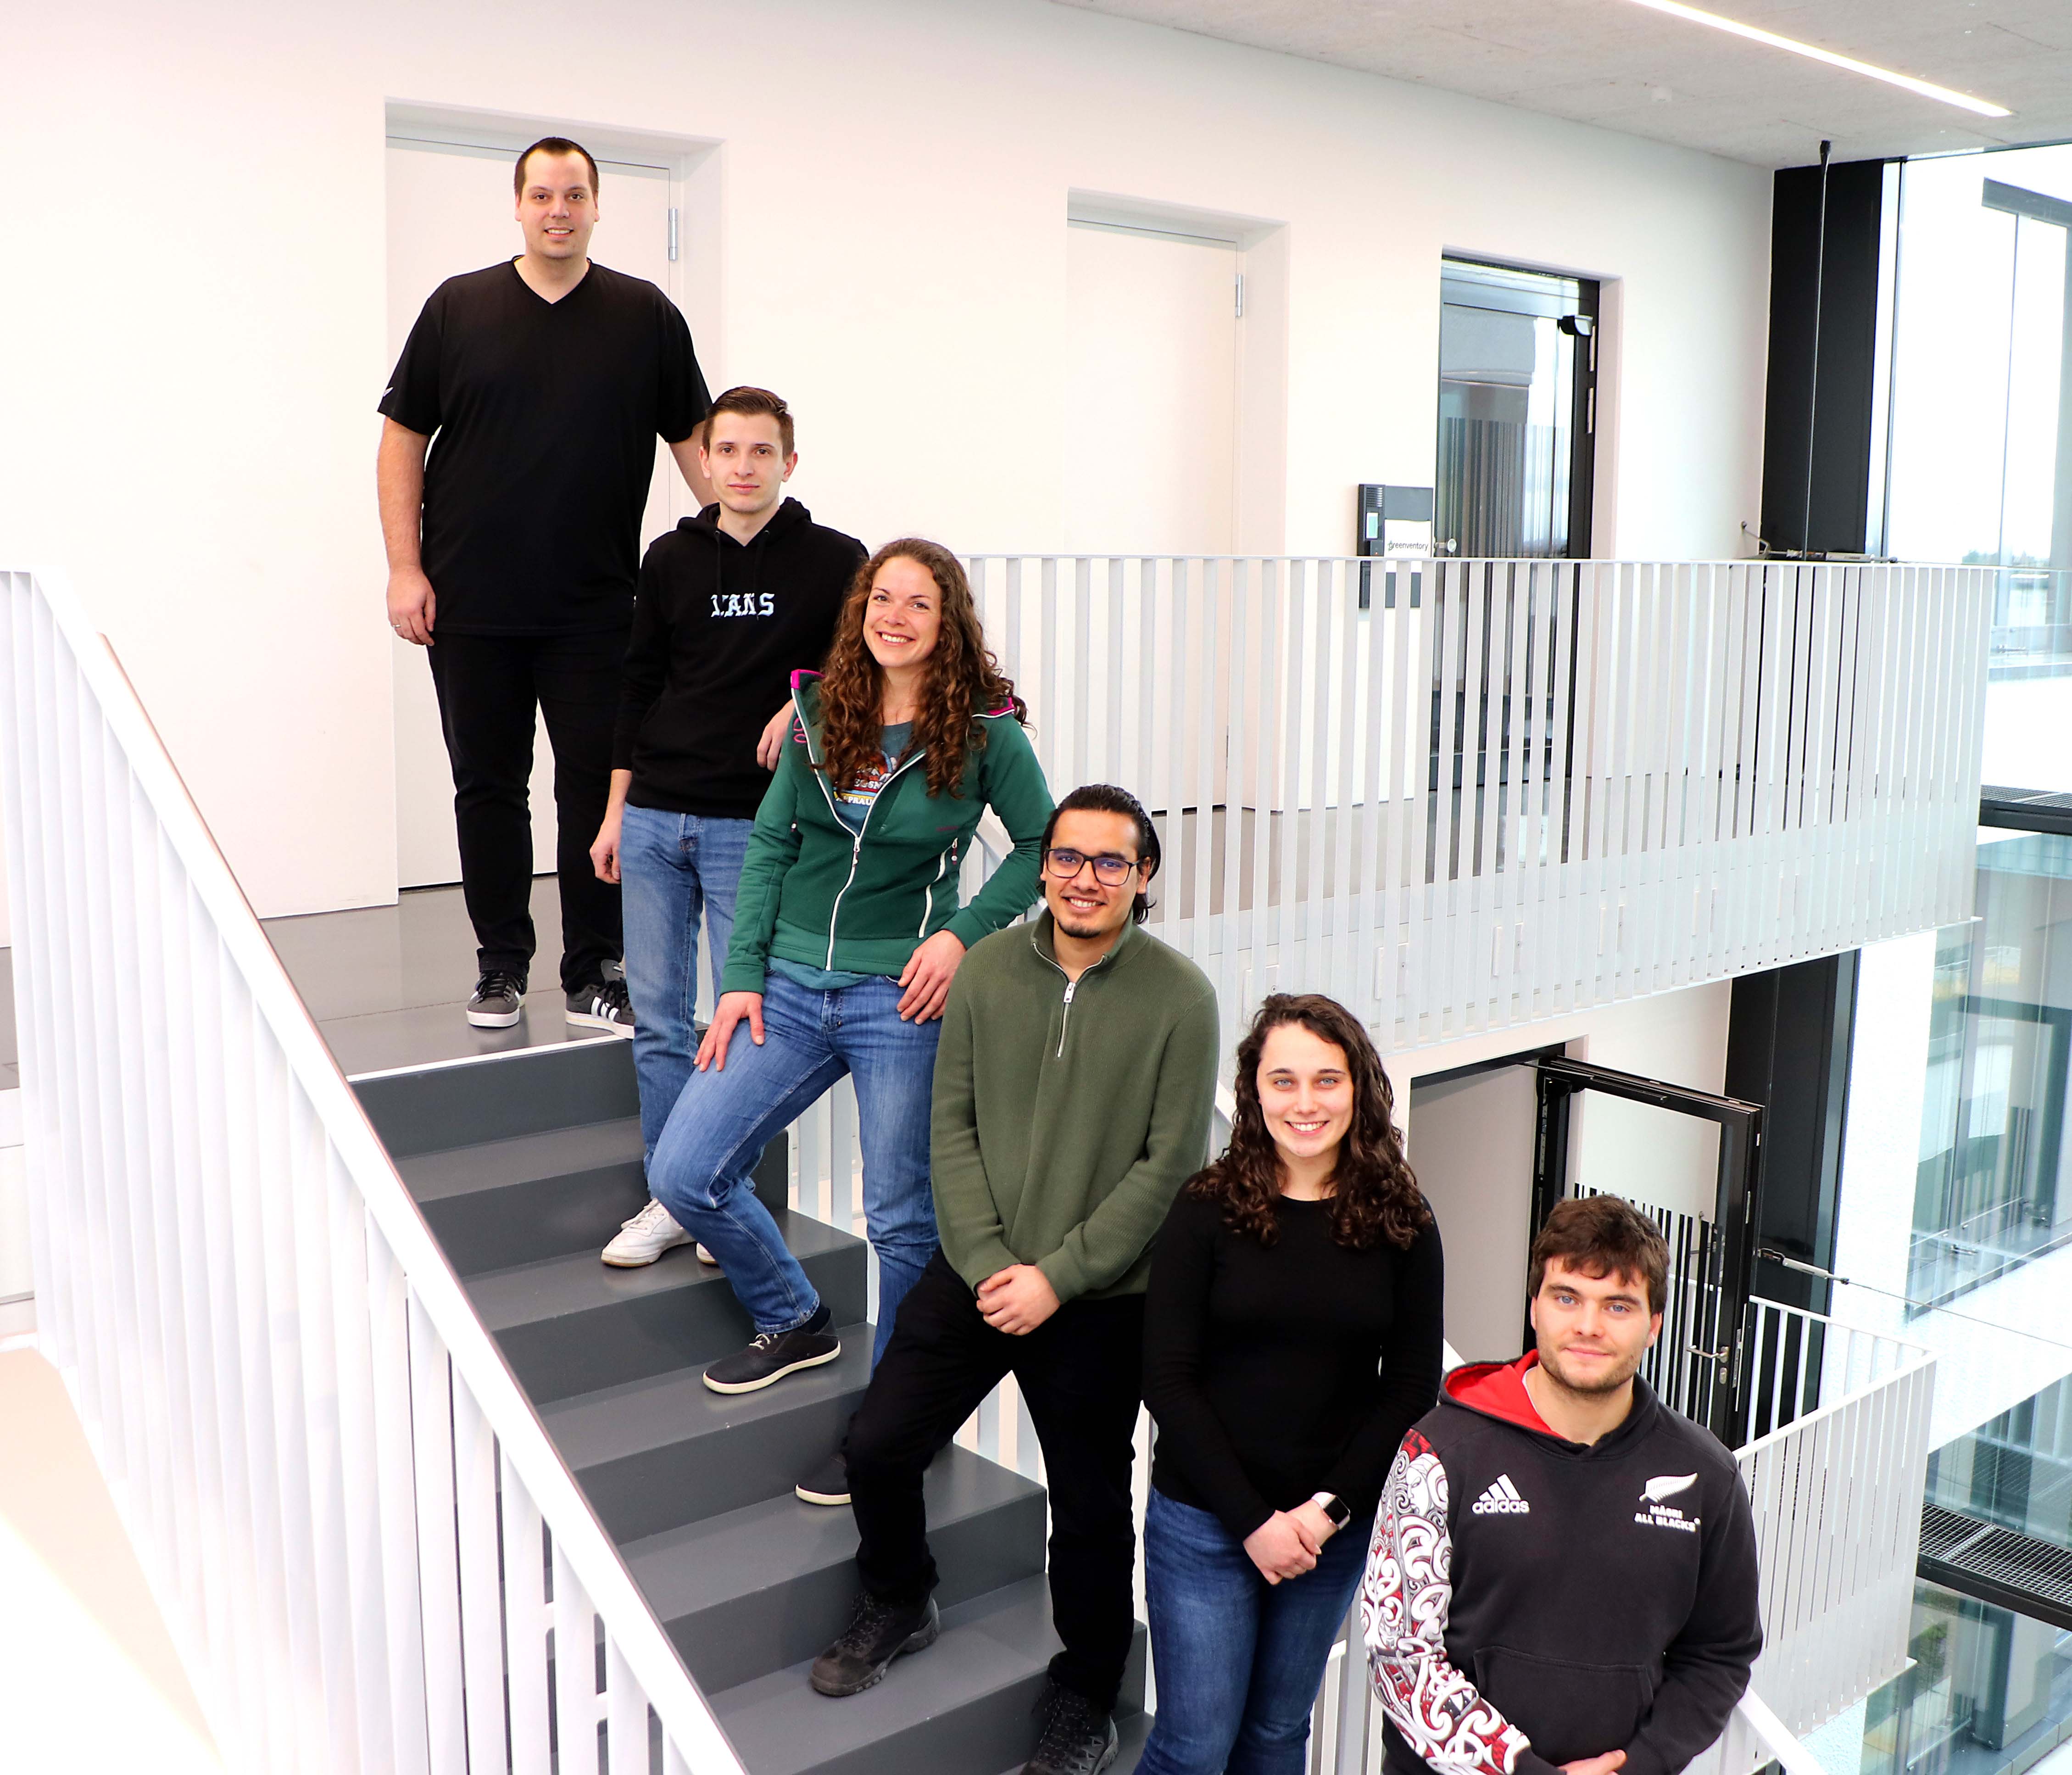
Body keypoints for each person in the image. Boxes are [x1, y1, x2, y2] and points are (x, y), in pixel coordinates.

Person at [809, 784, 1220, 1775]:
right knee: (875, 1443)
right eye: (1068, 857)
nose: (1085, 877)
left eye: (1110, 862)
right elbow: (949, 1126)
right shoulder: (989, 969)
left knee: (1085, 1511)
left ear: (1143, 877)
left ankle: (1083, 1693)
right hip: (979, 1271)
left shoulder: (1181, 998)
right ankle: (900, 1592)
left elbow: (1165, 1168)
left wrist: (1060, 1276)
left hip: (1101, 1295)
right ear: (1042, 865)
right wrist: (995, 1262)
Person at [643, 539, 1054, 1394]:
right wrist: (742, 975)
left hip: (897, 998)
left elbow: (1039, 844)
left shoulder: (986, 727)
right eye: (881, 599)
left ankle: (894, 1406)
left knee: (901, 1221)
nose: (893, 617)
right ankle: (791, 1316)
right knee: (682, 1171)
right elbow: (768, 843)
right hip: (786, 989)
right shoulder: (819, 708)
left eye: (917, 604)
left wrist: (962, 934)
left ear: (948, 625)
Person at [378, 135, 713, 1033]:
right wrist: (404, 567)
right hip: (471, 603)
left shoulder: (644, 317)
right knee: (487, 786)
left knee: (593, 788)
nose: (558, 210)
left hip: (598, 610)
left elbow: (697, 449)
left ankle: (594, 966)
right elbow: (401, 440)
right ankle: (500, 965)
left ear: (598, 206)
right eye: (542, 195)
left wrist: (736, 552)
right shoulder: (458, 308)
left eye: (574, 195)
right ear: (518, 205)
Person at [589, 387, 865, 1261]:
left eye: (761, 451)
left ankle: (717, 1187)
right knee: (663, 1023)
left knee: (744, 1017)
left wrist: (807, 700)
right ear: (704, 461)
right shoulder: (670, 558)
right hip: (654, 817)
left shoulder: (834, 558)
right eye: (728, 450)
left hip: (752, 825)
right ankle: (673, 1196)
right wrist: (613, 814)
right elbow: (637, 686)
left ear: (790, 461)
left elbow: (864, 661)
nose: (743, 467)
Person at [1137, 994, 1444, 1775]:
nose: (1305, 1103)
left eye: (1326, 1080)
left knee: (1277, 1734)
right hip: (1205, 1521)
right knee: (1193, 1747)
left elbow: (1411, 1386)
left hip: (1328, 1531)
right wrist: (1253, 1521)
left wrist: (1324, 1511)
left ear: (1359, 1089)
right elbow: (1166, 1378)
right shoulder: (1204, 1208)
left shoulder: (1404, 1219)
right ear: (1255, 1092)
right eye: (1283, 1080)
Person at [1363, 1194, 1762, 1775]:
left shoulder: (1706, 1476)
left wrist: (1639, 1764)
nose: (1588, 1326)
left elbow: (1719, 1654)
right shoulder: (1437, 1453)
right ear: (1534, 1307)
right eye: (1567, 1297)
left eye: (1618, 1306)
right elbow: (1398, 1654)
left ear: (1653, 1325)